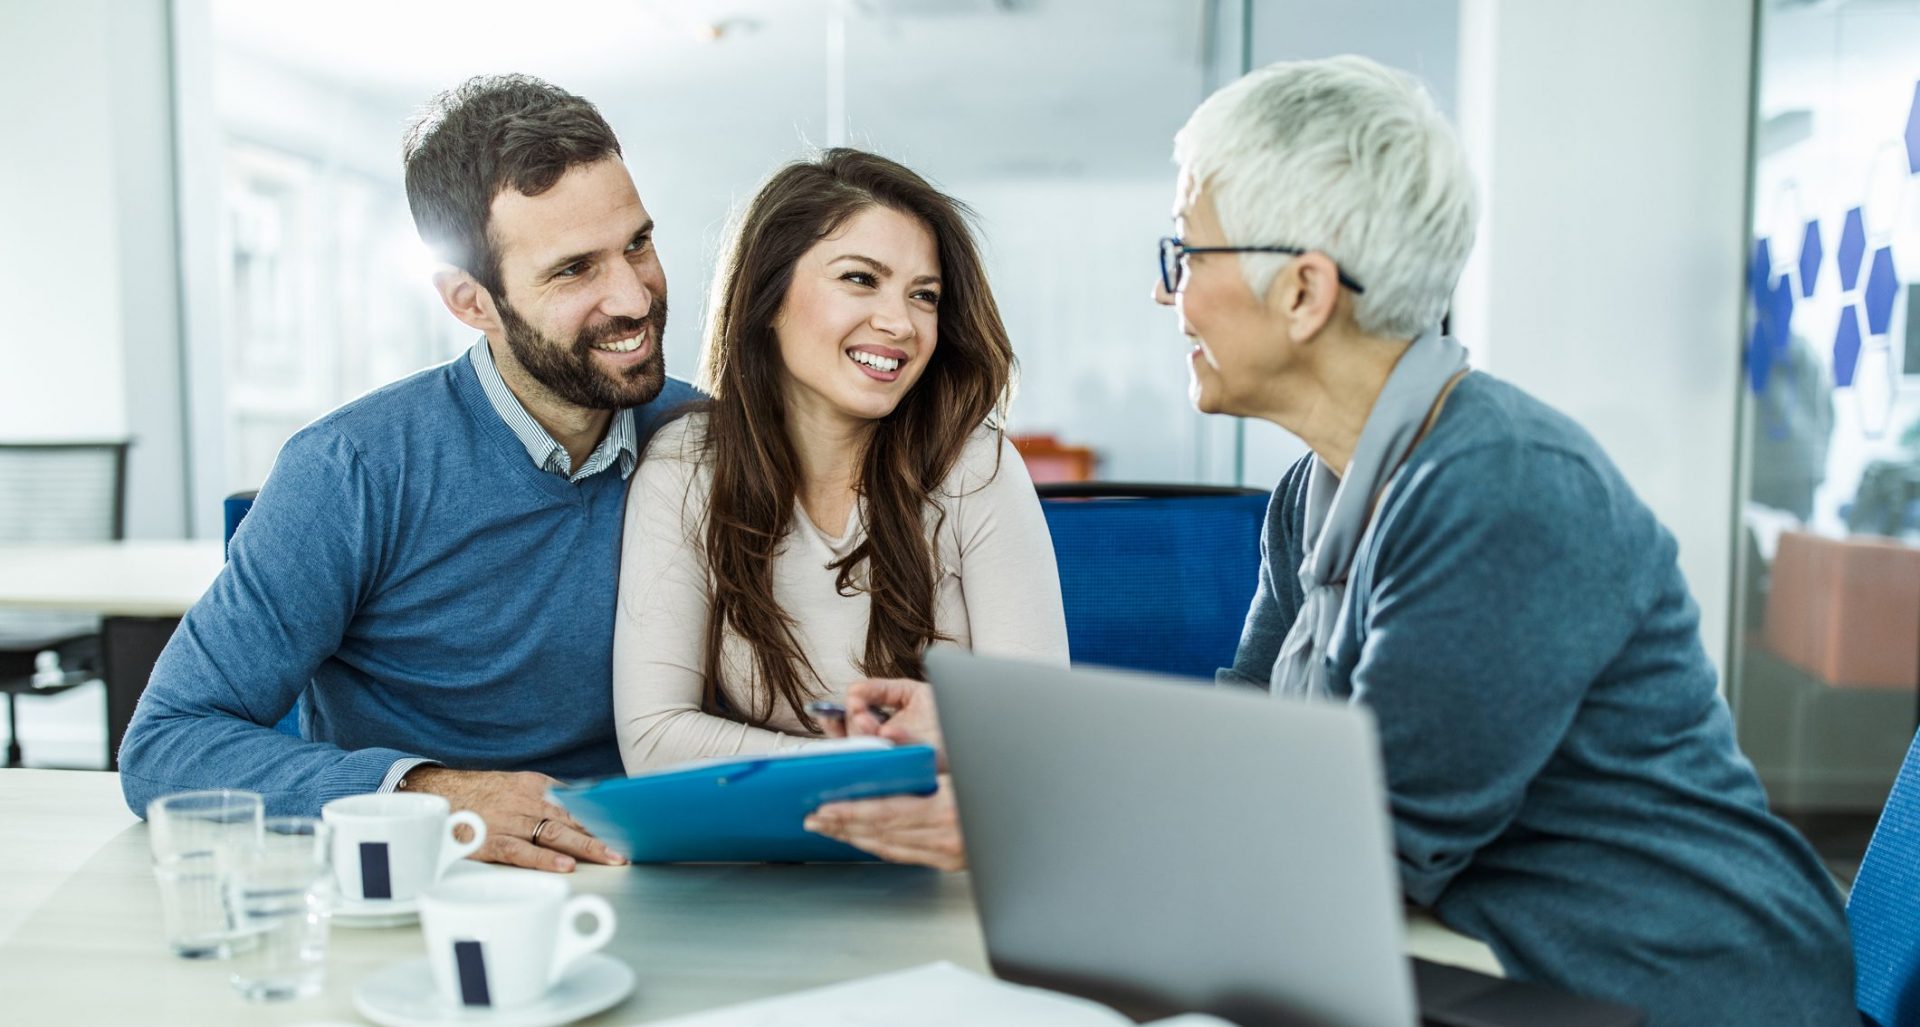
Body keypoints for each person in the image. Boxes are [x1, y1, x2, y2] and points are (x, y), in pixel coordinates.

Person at [808, 57, 1857, 1025]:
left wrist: (1020, 820)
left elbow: (1355, 858)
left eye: (1185, 252)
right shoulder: (1319, 485)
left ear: (1304, 292)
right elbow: (1243, 755)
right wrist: (995, 748)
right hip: (1484, 962)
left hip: (1663, 990)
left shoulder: (1500, 492)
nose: (1164, 291)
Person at [118, 75, 700, 874]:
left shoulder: (703, 438)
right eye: (574, 271)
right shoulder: (350, 471)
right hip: (435, 888)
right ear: (471, 301)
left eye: (637, 242)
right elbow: (168, 742)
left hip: (662, 875)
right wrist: (431, 796)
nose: (634, 295)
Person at [611, 150, 1067, 795]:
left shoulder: (976, 467)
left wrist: (777, 766)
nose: (899, 322)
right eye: (860, 279)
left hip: (939, 857)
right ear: (769, 298)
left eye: (924, 295)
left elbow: (1034, 736)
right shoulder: (688, 465)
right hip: (762, 856)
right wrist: (887, 768)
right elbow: (655, 739)